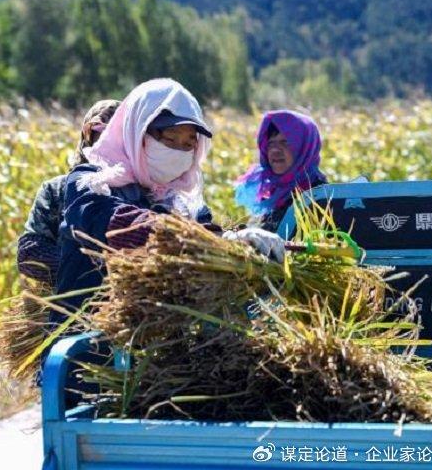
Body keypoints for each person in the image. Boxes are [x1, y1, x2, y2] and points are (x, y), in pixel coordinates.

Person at [53, 78, 216, 323]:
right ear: (137, 132)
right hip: (85, 342)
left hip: (151, 342)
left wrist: (238, 242)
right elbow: (111, 222)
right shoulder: (89, 181)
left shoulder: (180, 199)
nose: (177, 152)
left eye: (188, 144)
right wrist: (182, 236)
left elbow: (208, 231)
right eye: (170, 139)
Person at [17, 99, 120, 287]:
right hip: (66, 305)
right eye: (101, 136)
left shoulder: (144, 190)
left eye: (118, 139)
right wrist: (91, 273)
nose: (109, 146)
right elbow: (29, 252)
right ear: (88, 137)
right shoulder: (57, 190)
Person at [233, 109, 327, 234]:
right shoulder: (272, 192)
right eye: (271, 143)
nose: (275, 150)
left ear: (305, 148)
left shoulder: (318, 197)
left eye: (285, 142)